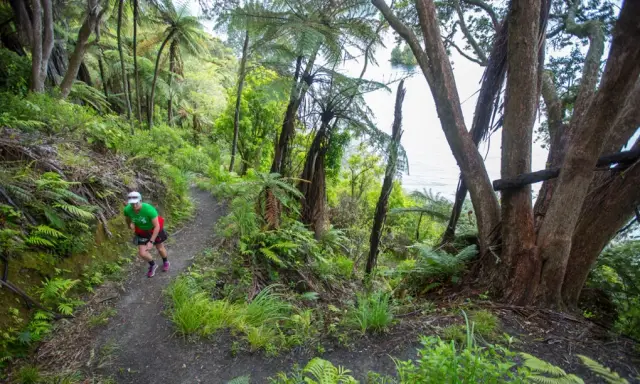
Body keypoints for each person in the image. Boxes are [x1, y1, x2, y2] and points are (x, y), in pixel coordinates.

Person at [124, 191, 169, 277]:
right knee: (142, 253)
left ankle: (165, 261)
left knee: (160, 248)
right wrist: (130, 224)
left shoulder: (149, 210)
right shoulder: (127, 209)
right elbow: (128, 218)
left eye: (136, 203)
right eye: (132, 204)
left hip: (154, 230)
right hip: (142, 231)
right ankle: (153, 265)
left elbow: (157, 226)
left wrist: (151, 241)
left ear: (140, 200)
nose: (134, 205)